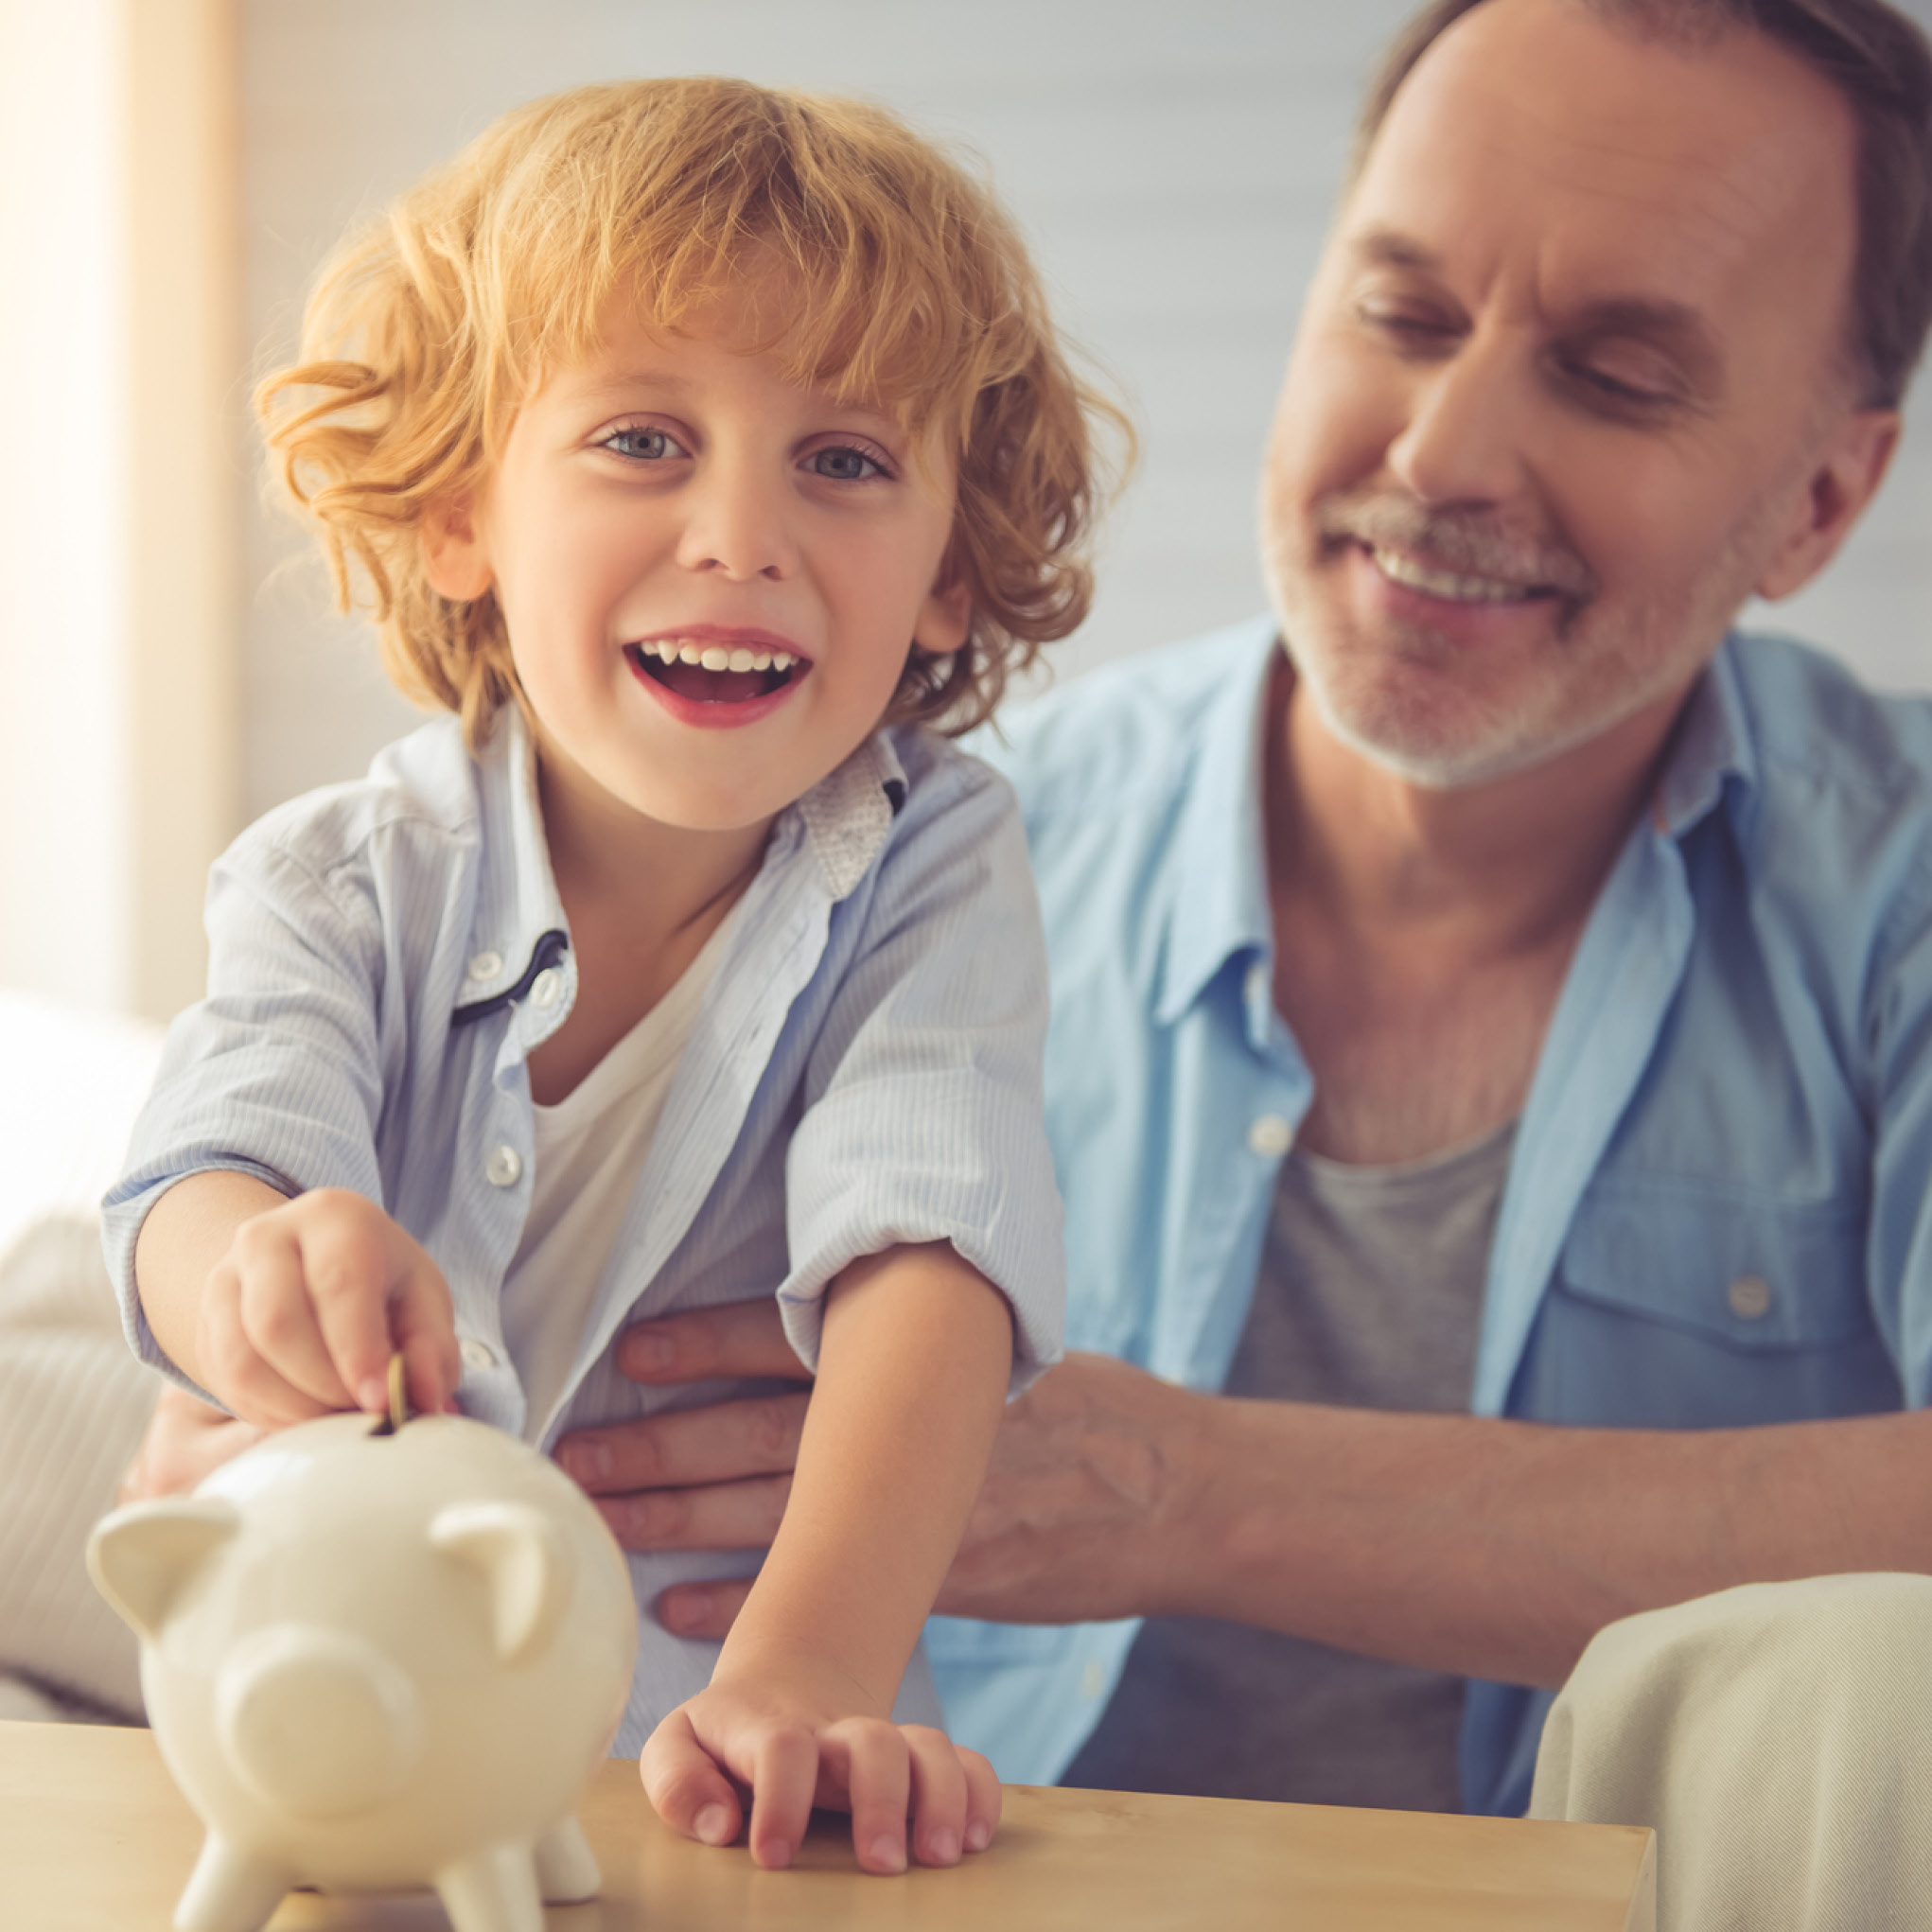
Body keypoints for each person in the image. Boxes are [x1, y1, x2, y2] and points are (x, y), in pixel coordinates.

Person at [474, 0, 1931, 1824]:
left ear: (1820, 498)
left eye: (1616, 375)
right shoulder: (893, 864)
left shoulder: (1894, 892)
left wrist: (1192, 1490)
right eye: (1397, 316)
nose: (1443, 451)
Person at [100, 78, 1120, 1876]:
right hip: (358, 1732)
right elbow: (204, 1169)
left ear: (949, 573)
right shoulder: (337, 878)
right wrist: (256, 1274)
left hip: (739, 1772)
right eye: (644, 440)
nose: (740, 532)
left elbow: (929, 1260)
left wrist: (803, 1671)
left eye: (846, 459)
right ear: (458, 514)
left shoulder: (934, 868)